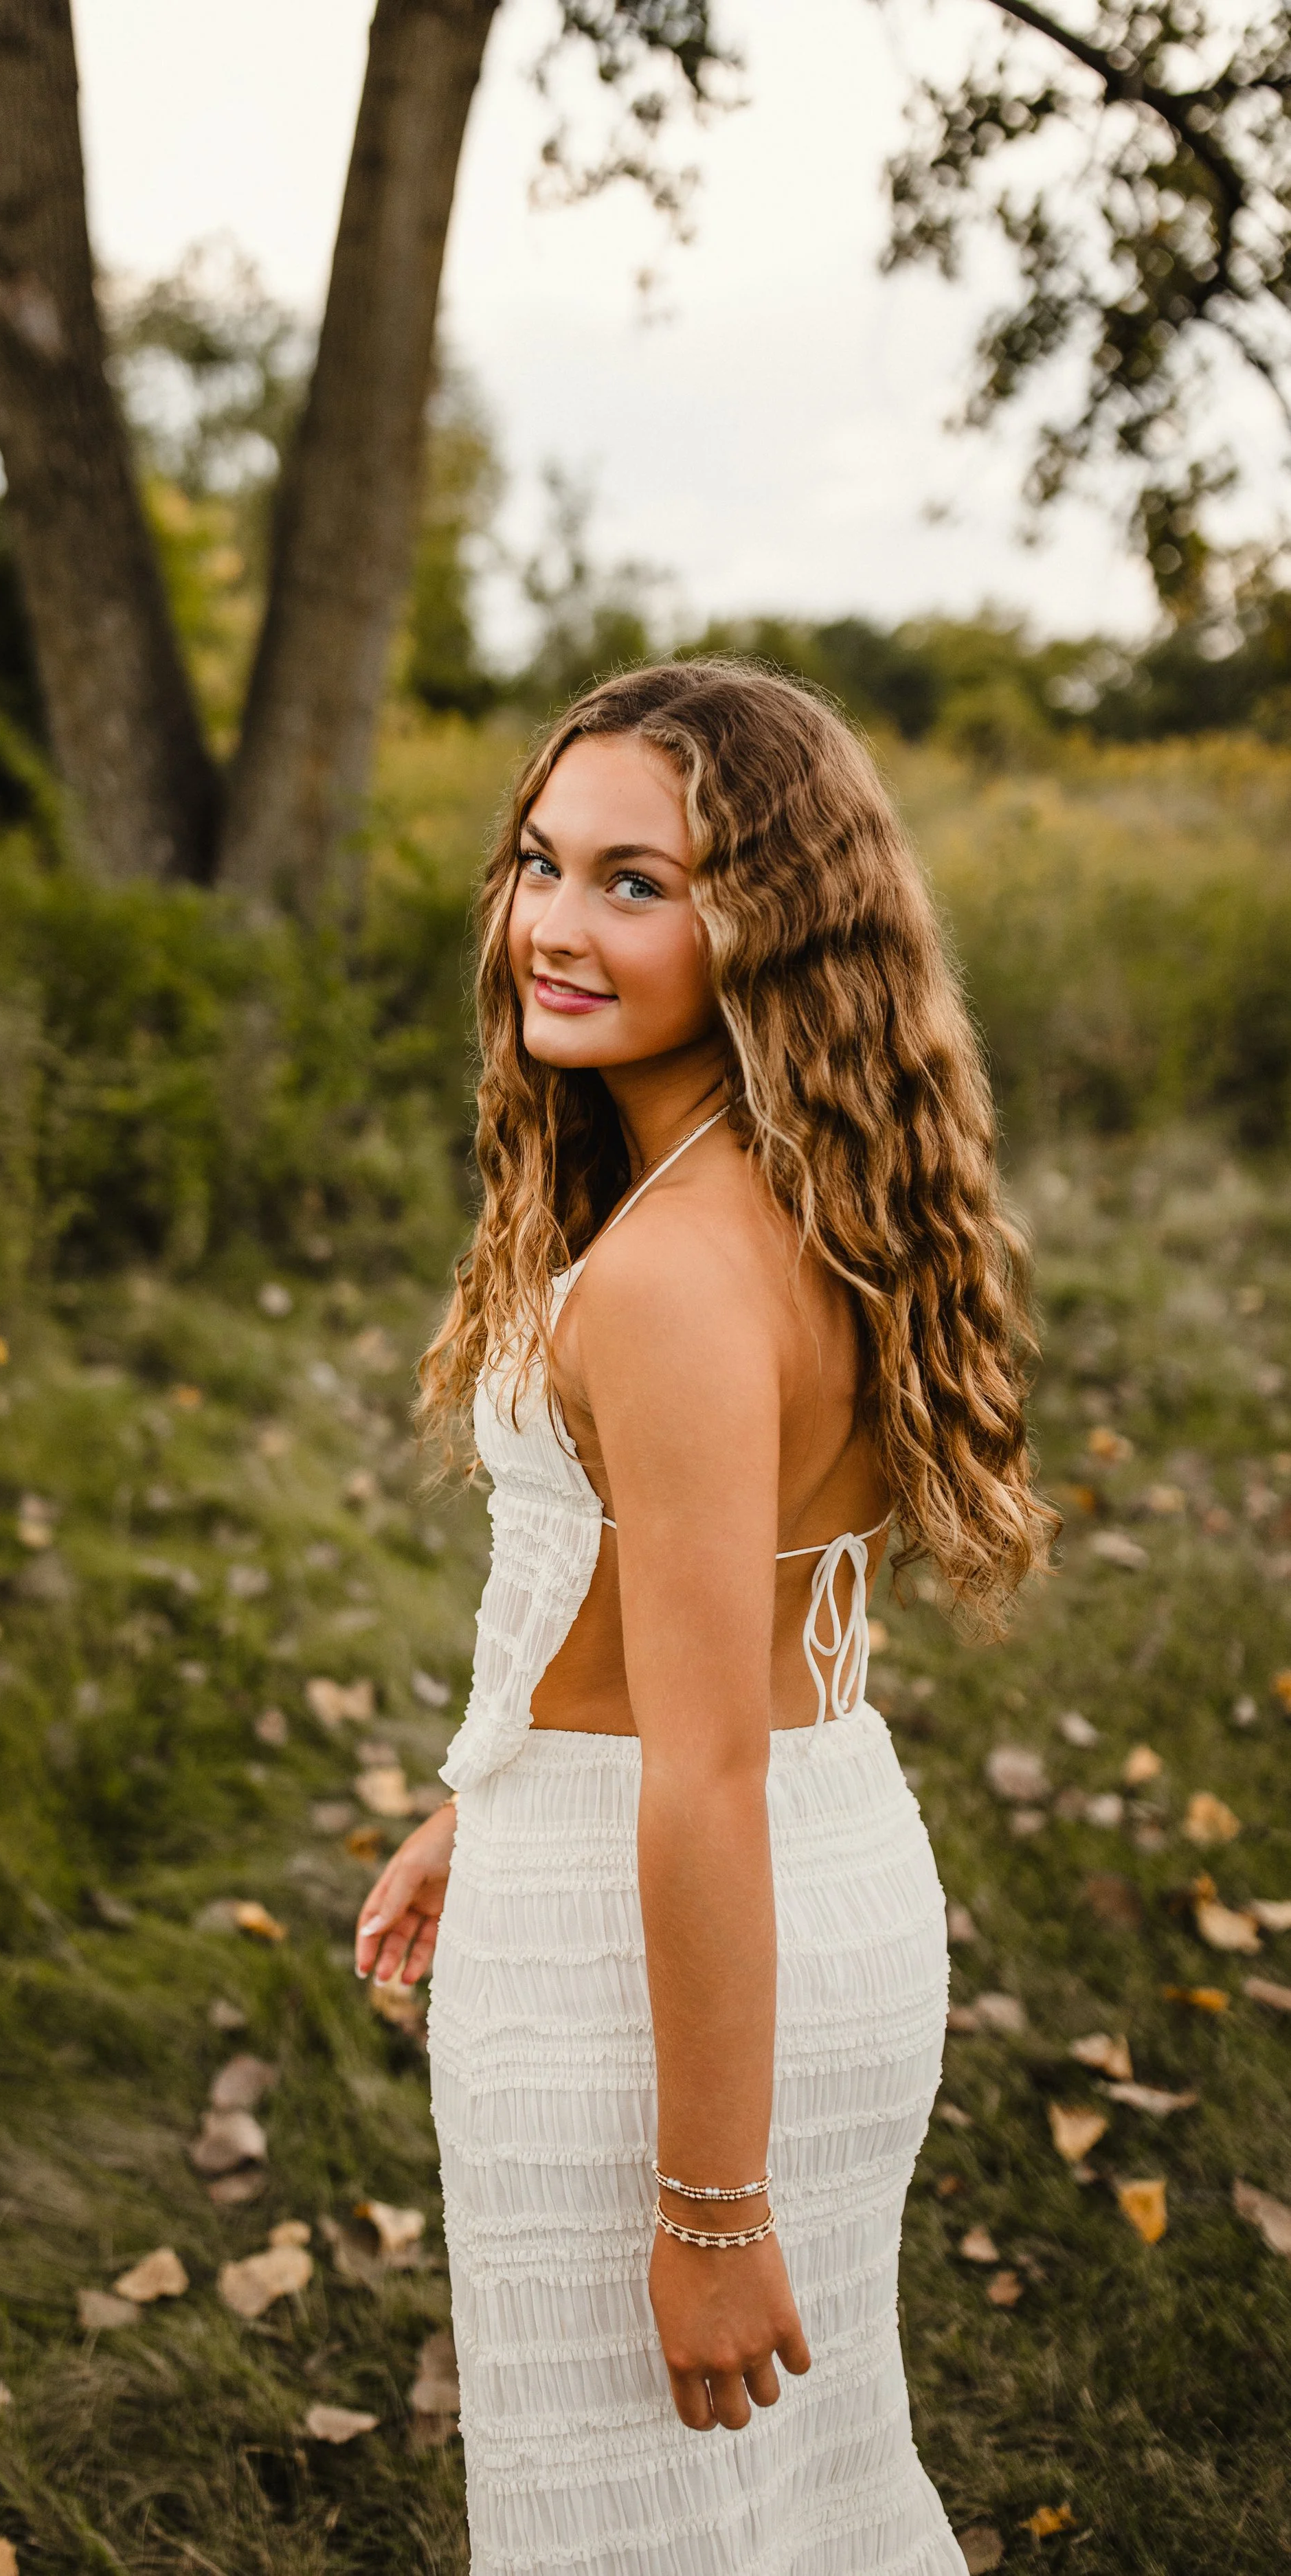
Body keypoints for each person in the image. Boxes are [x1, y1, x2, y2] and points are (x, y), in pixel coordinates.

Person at [353, 660, 1055, 2576]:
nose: (552, 928)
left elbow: (698, 1763)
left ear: (766, 917)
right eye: (537, 863)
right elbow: (712, 1627)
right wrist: (476, 1804)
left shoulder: (664, 1270)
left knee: (643, 2534)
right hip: (820, 1877)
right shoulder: (805, 1189)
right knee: (794, 2513)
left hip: (664, 1952)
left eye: (635, 881)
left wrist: (711, 2209)